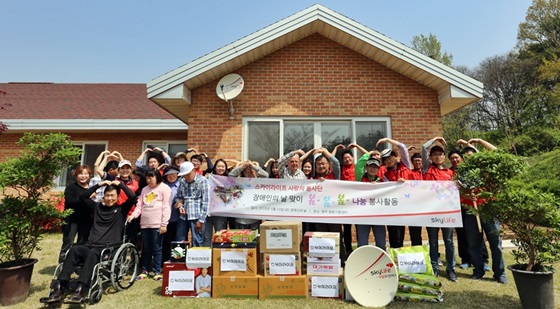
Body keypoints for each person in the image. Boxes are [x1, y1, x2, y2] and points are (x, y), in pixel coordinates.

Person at [44, 180, 136, 304]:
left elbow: (133, 196)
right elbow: (83, 197)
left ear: (117, 197)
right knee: (74, 249)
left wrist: (119, 184)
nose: (109, 198)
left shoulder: (121, 210)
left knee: (93, 253)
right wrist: (99, 184)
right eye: (107, 195)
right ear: (103, 196)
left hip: (108, 249)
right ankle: (60, 286)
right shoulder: (97, 207)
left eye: (112, 196)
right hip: (91, 244)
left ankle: (80, 289)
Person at [460, 138, 507, 283]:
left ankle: (500, 273)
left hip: (488, 209)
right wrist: (466, 194)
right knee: (473, 244)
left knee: (495, 243)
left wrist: (479, 141)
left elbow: (498, 153)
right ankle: (478, 270)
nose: (470, 160)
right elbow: (458, 191)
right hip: (471, 211)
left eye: (472, 157)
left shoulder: (487, 169)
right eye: (466, 158)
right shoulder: (462, 174)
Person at [422, 136, 457, 282]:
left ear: (444, 157)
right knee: (433, 241)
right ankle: (435, 268)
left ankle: (451, 270)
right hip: (432, 212)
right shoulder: (427, 168)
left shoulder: (450, 173)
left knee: (449, 241)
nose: (437, 156)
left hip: (447, 212)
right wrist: (435, 139)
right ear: (430, 157)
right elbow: (424, 147)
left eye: (440, 154)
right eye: (434, 154)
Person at [128, 169, 172, 282]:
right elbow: (139, 206)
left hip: (157, 224)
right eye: (147, 178)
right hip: (145, 223)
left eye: (151, 178)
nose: (149, 180)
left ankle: (157, 271)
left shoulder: (165, 188)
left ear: (157, 177)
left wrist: (164, 224)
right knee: (146, 248)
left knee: (157, 248)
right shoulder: (144, 190)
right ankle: (145, 270)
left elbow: (166, 207)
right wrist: (133, 215)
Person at [377, 137, 412, 250]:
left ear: (395, 156)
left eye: (390, 157)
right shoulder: (385, 174)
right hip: (393, 206)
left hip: (408, 204)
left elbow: (403, 147)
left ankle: (401, 254)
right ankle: (394, 254)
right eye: (385, 159)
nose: (389, 160)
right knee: (393, 232)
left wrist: (387, 140)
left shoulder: (405, 164)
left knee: (403, 233)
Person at [313, 147, 346, 262]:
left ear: (328, 165)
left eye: (323, 164)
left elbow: (336, 162)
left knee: (337, 238)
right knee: (322, 239)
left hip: (333, 214)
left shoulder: (335, 174)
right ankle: (326, 261)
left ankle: (341, 261)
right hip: (319, 215)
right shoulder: (313, 179)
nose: (321, 166)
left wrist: (324, 151)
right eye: (318, 164)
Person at [59, 165, 94, 263]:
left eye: (86, 174)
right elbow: (70, 202)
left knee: (82, 243)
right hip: (72, 220)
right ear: (76, 175)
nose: (83, 176)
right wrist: (87, 196)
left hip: (86, 220)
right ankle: (62, 264)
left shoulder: (90, 189)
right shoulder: (71, 188)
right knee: (68, 242)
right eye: (81, 174)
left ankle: (78, 265)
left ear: (89, 175)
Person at [174, 162, 210, 246]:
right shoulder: (182, 181)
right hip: (183, 216)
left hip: (197, 216)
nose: (186, 177)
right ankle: (181, 259)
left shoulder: (203, 181)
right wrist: (180, 207)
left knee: (197, 240)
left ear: (194, 171)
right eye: (184, 175)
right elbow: (178, 197)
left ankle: (197, 259)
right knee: (180, 241)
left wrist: (201, 220)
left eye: (188, 175)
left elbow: (206, 201)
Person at [354, 157, 387, 251]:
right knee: (362, 243)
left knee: (381, 243)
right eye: (370, 166)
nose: (372, 169)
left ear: (378, 169)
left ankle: (381, 263)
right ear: (366, 168)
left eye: (375, 167)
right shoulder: (360, 178)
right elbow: (359, 163)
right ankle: (363, 264)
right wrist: (370, 153)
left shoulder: (382, 181)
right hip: (363, 216)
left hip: (378, 216)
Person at [229, 160, 268, 229]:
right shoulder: (238, 181)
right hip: (240, 220)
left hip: (255, 220)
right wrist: (242, 167)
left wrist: (253, 166)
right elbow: (231, 175)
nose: (250, 171)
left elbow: (266, 175)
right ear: (243, 172)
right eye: (246, 170)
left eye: (251, 170)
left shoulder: (258, 182)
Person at [203, 159, 229, 246]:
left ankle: (219, 256)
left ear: (225, 168)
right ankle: (207, 257)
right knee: (206, 236)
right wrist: (205, 178)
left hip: (220, 213)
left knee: (220, 236)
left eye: (222, 166)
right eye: (218, 166)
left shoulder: (229, 180)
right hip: (208, 212)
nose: (220, 168)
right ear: (215, 167)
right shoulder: (209, 177)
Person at [162, 166, 181, 263]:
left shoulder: (181, 185)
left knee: (177, 241)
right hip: (163, 219)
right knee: (165, 242)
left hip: (177, 218)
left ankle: (176, 262)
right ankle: (164, 263)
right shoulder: (162, 186)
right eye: (168, 175)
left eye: (173, 174)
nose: (171, 176)